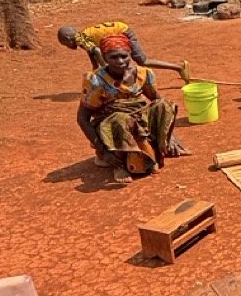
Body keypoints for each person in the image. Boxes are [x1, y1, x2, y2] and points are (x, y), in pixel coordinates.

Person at [76, 34, 187, 183]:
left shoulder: (143, 74)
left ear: (130, 54)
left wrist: (169, 135)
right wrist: (103, 150)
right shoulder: (96, 81)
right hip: (112, 127)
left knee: (164, 106)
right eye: (113, 57)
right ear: (104, 57)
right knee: (121, 120)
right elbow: (82, 118)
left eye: (124, 56)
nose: (120, 61)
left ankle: (156, 147)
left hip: (138, 122)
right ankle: (117, 163)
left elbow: (156, 99)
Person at [57, 23, 189, 80]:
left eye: (65, 44)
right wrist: (96, 69)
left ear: (69, 38)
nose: (68, 47)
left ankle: (178, 67)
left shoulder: (79, 39)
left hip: (124, 33)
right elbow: (92, 54)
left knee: (143, 61)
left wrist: (106, 71)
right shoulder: (83, 36)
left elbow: (96, 51)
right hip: (120, 31)